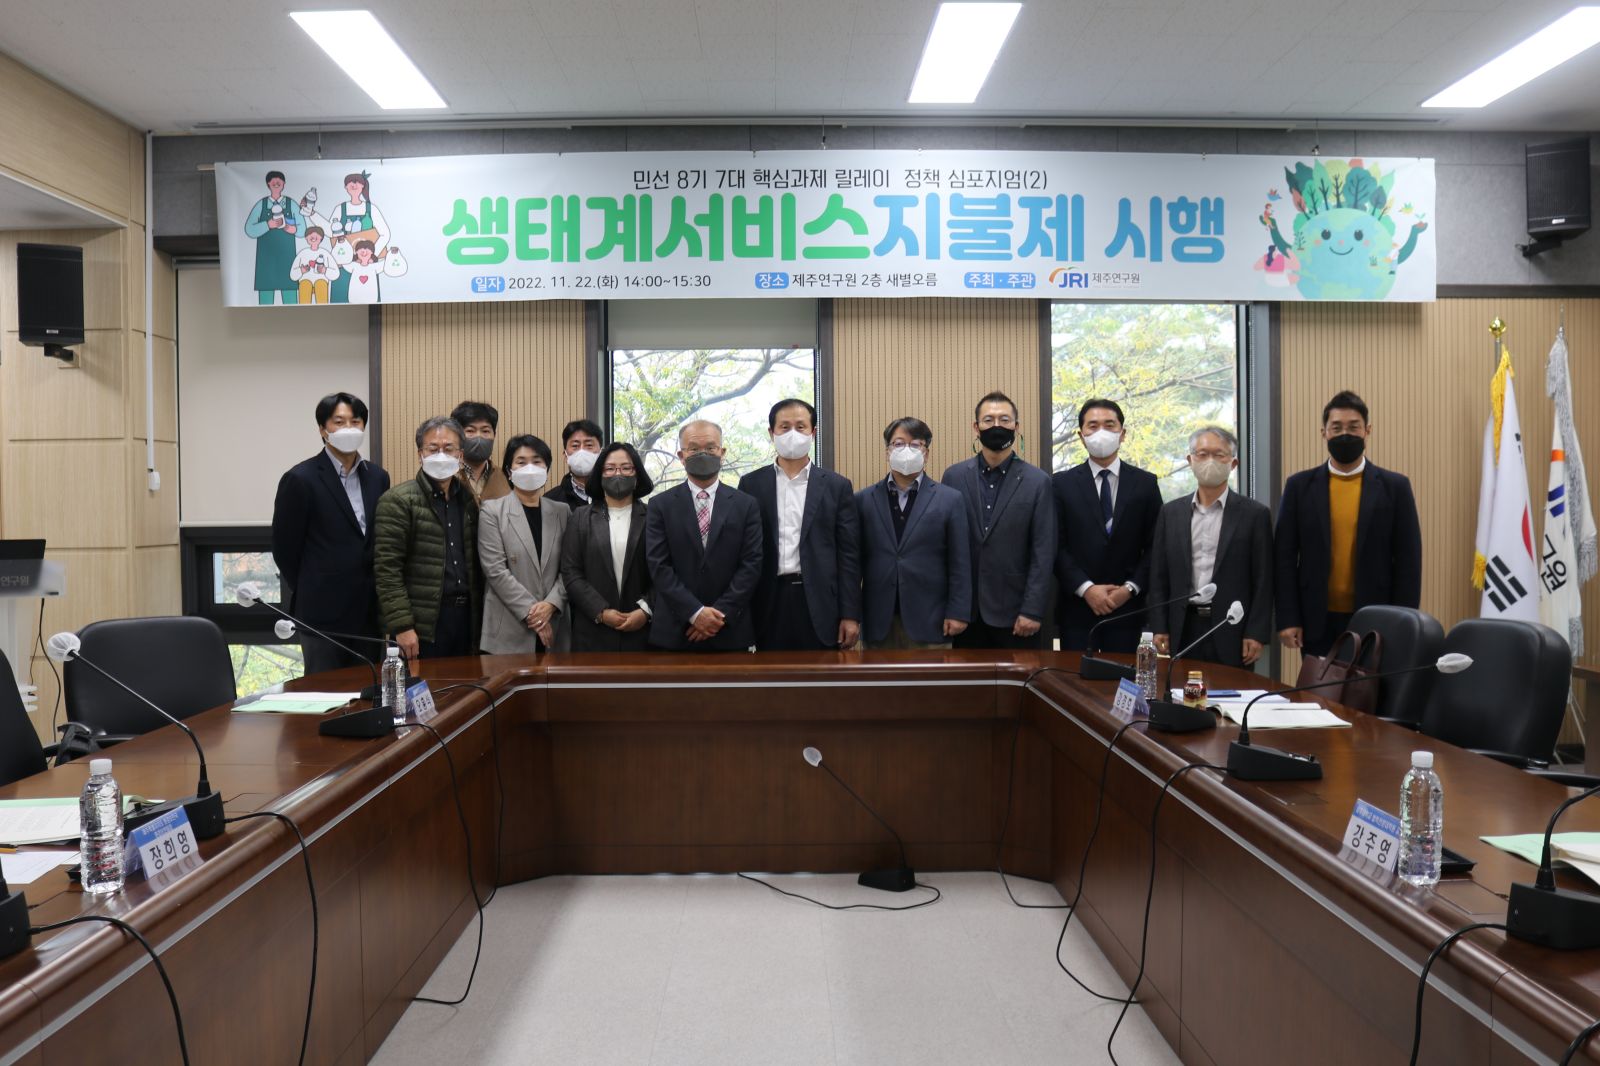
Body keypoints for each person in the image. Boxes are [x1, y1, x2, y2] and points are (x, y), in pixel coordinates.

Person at [1276, 390, 1423, 657]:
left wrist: (1403, 620)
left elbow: (1408, 561)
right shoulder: (1299, 486)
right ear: (1324, 433)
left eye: (1354, 427)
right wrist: (1288, 618)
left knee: (1370, 685)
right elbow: (1284, 558)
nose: (1345, 434)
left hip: (1378, 617)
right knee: (1318, 684)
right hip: (1315, 619)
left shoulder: (1395, 487)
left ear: (1367, 430)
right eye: (1337, 427)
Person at [270, 392, 390, 676]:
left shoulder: (378, 477)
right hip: (322, 615)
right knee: (324, 692)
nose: (348, 428)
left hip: (368, 613)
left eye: (355, 421)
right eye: (339, 422)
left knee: (367, 690)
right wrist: (317, 583)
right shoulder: (300, 479)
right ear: (323, 430)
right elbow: (285, 550)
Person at [737, 398, 861, 650]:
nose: (792, 433)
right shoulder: (751, 484)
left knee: (821, 673)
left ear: (813, 433)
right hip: (767, 599)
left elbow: (849, 555)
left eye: (800, 426)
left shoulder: (837, 486)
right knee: (767, 672)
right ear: (771, 433)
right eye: (784, 427)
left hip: (820, 601)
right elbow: (742, 550)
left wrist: (850, 614)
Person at [1146, 426, 1273, 668]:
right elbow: (1159, 576)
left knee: (1231, 691)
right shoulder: (1170, 513)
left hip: (1232, 627)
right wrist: (1159, 626)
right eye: (1202, 454)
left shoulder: (1255, 515)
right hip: (1182, 626)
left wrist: (1256, 632)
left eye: (1219, 454)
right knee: (1180, 690)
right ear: (1190, 460)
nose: (1210, 461)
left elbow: (1264, 579)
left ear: (1233, 463)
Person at [941, 391, 1056, 649]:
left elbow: (1043, 551)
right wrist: (952, 607)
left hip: (1017, 614)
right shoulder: (953, 477)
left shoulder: (1038, 482)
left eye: (1004, 420)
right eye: (988, 420)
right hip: (965, 614)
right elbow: (946, 547)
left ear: (1016, 427)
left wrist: (1032, 610)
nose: (996, 426)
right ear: (976, 427)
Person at [1053, 398, 1163, 652]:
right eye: (1093, 426)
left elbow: (1156, 545)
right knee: (1075, 676)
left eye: (1109, 425)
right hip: (1077, 609)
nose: (1101, 432)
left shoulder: (1146, 483)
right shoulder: (1061, 484)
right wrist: (1087, 589)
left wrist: (1129, 588)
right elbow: (1055, 545)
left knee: (1123, 675)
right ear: (1081, 436)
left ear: (1122, 434)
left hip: (1128, 609)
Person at [643, 420, 763, 651]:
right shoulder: (660, 505)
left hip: (730, 629)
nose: (703, 453)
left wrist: (717, 616)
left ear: (722, 453)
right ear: (681, 455)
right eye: (694, 449)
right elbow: (659, 566)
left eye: (710, 448)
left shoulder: (746, 504)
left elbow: (751, 564)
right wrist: (695, 613)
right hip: (675, 630)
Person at [373, 416, 482, 663]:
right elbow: (387, 570)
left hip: (465, 618)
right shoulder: (398, 500)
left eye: (449, 449)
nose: (441, 455)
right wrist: (402, 626)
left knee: (465, 686)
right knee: (421, 687)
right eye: (433, 449)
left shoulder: (467, 500)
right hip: (421, 624)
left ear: (460, 456)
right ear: (420, 454)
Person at [857, 417, 972, 649]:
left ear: (926, 454)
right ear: (888, 452)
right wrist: (850, 615)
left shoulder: (950, 499)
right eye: (899, 444)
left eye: (915, 444)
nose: (907, 450)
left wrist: (958, 612)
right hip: (878, 621)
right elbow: (853, 563)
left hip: (932, 620)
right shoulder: (862, 500)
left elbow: (960, 562)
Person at [478, 434, 570, 654]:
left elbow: (570, 567)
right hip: (508, 628)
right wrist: (535, 614)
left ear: (547, 469)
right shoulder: (492, 511)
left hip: (555, 624)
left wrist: (551, 604)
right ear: (509, 471)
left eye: (537, 461)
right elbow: (495, 571)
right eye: (521, 462)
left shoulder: (562, 512)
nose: (530, 468)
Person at [560, 442, 655, 652]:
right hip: (592, 632)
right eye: (610, 468)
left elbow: (665, 571)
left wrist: (645, 610)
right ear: (600, 475)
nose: (618, 474)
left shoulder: (653, 517)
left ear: (637, 474)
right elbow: (571, 572)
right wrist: (601, 612)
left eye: (626, 468)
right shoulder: (581, 517)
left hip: (642, 634)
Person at [242, 169, 302, 305]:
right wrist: (267, 225)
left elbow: (303, 229)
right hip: (266, 259)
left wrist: (291, 228)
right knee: (265, 298)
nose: (276, 183)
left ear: (284, 184)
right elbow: (249, 229)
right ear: (268, 184)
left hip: (287, 259)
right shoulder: (261, 204)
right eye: (273, 180)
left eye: (279, 180)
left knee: (291, 297)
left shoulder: (291, 204)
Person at [451, 401, 511, 504]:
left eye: (485, 431)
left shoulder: (504, 477)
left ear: (494, 435)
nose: (479, 437)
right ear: (457, 435)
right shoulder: (447, 475)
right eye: (470, 431)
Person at [544, 419, 606, 509]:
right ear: (566, 456)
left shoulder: (614, 495)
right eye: (575, 446)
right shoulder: (551, 500)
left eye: (589, 445)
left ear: (601, 453)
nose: (582, 451)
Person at [288, 226, 336, 304]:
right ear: (306, 238)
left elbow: (336, 273)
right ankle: (303, 309)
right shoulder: (302, 254)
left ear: (321, 238)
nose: (313, 236)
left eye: (317, 234)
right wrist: (301, 271)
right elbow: (292, 275)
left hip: (321, 282)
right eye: (310, 234)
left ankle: (323, 309)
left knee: (321, 283)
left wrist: (325, 270)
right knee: (305, 284)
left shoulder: (325, 253)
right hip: (305, 282)